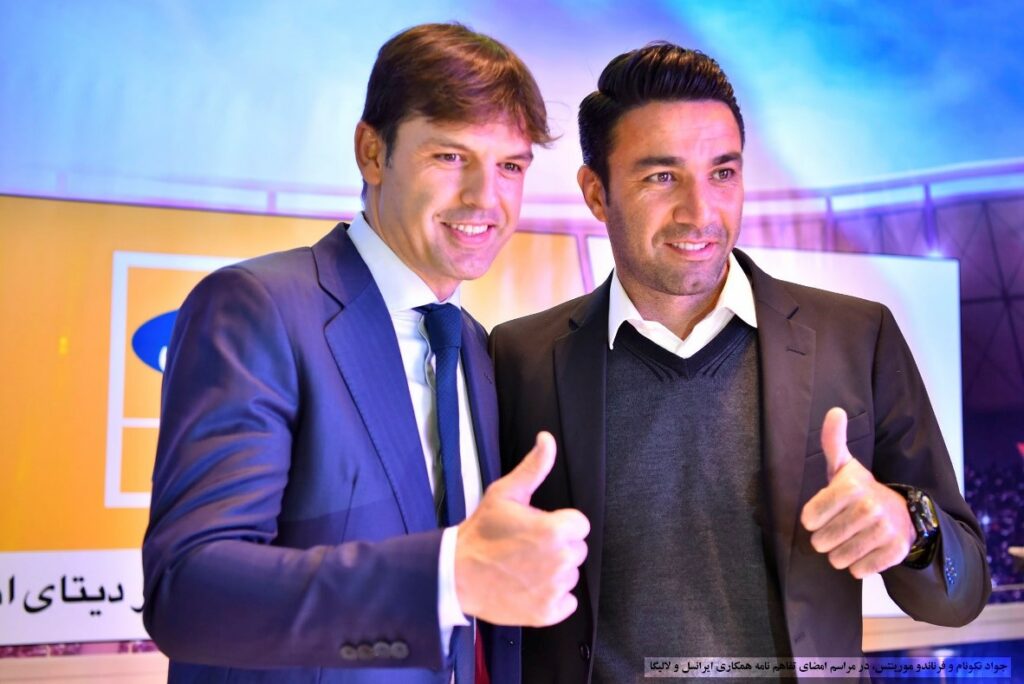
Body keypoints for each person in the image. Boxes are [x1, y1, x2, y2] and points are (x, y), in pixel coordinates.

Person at [490, 42, 990, 683]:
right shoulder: (520, 357)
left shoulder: (856, 336)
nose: (701, 213)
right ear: (595, 192)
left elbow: (962, 591)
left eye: (723, 173)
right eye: (661, 177)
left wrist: (909, 525)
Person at [142, 23, 589, 684]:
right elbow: (188, 592)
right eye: (450, 156)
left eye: (510, 167)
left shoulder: (472, 344)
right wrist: (446, 577)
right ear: (372, 153)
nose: (485, 197)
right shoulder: (259, 308)